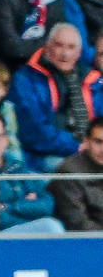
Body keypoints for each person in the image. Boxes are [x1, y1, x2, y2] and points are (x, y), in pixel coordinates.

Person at [7, 22, 103, 171]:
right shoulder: (26, 79)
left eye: (71, 47)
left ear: (79, 53)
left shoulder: (93, 80)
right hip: (45, 156)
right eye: (59, 45)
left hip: (92, 151)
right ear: (47, 47)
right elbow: (34, 132)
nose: (65, 54)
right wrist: (77, 146)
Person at [49, 116, 103, 230]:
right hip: (86, 243)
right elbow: (77, 223)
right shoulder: (69, 172)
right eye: (98, 142)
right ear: (86, 141)